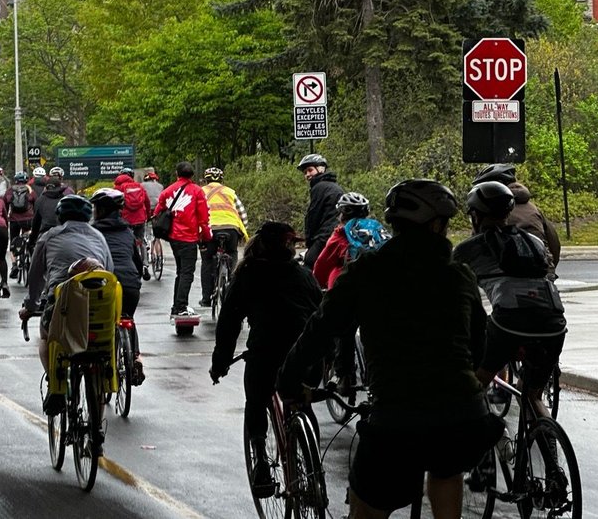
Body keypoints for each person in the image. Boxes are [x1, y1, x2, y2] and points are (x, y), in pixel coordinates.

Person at [277, 179, 502, 519]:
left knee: (368, 507)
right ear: (437, 225)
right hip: (463, 416)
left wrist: (290, 380)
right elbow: (480, 344)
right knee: (445, 469)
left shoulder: (367, 272)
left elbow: (319, 331)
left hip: (396, 419)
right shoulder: (459, 275)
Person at [210, 221, 322, 496]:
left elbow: (229, 322)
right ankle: (313, 472)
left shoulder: (248, 274)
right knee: (301, 404)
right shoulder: (303, 274)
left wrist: (221, 363)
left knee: (257, 401)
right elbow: (322, 314)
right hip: (306, 354)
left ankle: (260, 458)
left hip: (266, 351)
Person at [453, 181, 567, 420]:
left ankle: (490, 441)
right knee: (532, 395)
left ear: (475, 216)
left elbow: (450, 291)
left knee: (475, 386)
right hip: (554, 322)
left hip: (509, 322)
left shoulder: (469, 249)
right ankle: (549, 444)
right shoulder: (533, 242)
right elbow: (550, 267)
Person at [19, 194, 113, 414]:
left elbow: (34, 277)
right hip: (99, 308)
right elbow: (110, 271)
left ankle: (55, 383)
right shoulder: (99, 237)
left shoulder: (49, 237)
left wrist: (30, 307)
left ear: (60, 216)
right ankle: (96, 434)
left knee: (45, 337)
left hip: (61, 305)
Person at [312, 191, 381, 396]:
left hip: (346, 290)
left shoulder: (340, 234)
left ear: (341, 214)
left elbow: (321, 265)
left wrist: (319, 283)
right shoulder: (377, 231)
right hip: (377, 289)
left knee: (344, 330)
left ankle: (345, 376)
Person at [89, 187, 145, 383]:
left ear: (100, 210)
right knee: (127, 317)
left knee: (99, 322)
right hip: (130, 284)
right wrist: (139, 275)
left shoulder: (93, 232)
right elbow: (137, 262)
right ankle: (135, 357)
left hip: (104, 283)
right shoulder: (128, 232)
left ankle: (101, 360)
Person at [472, 163, 561, 277]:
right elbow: (554, 244)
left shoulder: (495, 213)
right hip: (544, 273)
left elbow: (476, 246)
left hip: (512, 278)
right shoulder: (533, 208)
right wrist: (549, 268)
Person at [152, 161, 212, 317]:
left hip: (173, 238)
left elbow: (158, 211)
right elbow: (203, 219)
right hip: (189, 238)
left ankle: (177, 305)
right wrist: (206, 237)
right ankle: (180, 306)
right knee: (187, 273)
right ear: (192, 175)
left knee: (181, 271)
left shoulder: (167, 191)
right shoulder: (197, 192)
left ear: (177, 174)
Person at [199, 166, 250, 307]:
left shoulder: (201, 192)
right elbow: (242, 213)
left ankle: (206, 298)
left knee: (207, 260)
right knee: (232, 253)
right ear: (222, 180)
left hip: (209, 229)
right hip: (231, 228)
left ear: (205, 180)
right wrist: (244, 229)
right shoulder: (230, 192)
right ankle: (232, 282)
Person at [296, 153, 345, 268]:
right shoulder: (333, 186)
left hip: (325, 235)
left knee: (309, 263)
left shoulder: (319, 187)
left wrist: (309, 242)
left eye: (310, 170)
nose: (307, 175)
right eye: (305, 172)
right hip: (337, 234)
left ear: (321, 168)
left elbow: (313, 216)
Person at [29, 174, 72, 251]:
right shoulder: (65, 200)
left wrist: (31, 241)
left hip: (45, 235)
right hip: (63, 235)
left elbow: (36, 223)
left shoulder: (40, 200)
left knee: (36, 260)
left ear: (46, 188)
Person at [7, 171, 35, 279]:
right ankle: (29, 256)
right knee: (29, 238)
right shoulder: (29, 189)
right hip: (28, 219)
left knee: (13, 241)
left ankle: (14, 265)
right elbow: (35, 201)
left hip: (14, 219)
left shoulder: (11, 190)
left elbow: (6, 201)